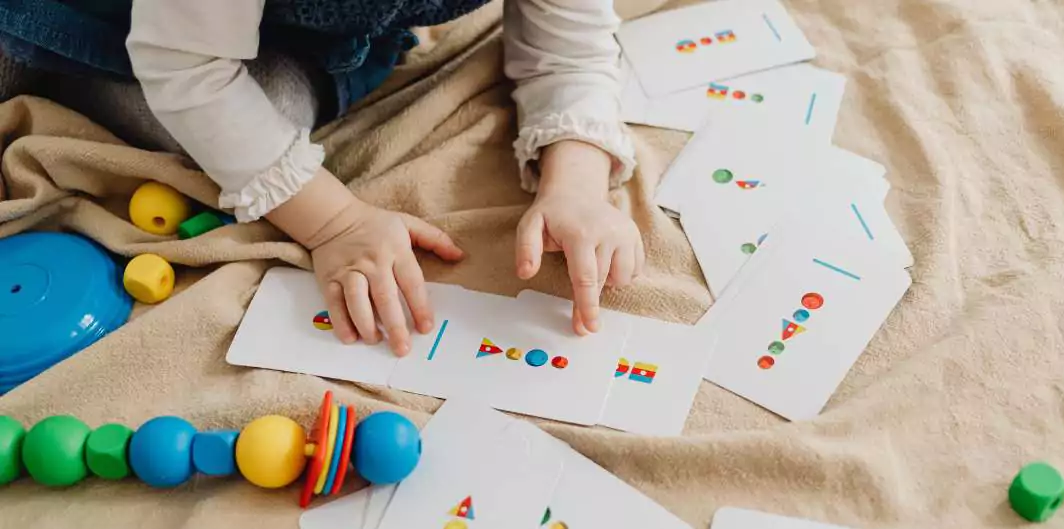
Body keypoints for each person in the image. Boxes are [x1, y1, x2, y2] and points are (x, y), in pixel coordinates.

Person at [0, 0, 643, 355]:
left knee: (272, 110)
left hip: (303, 32)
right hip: (120, 19)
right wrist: (336, 222)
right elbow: (186, 66)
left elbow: (571, 50)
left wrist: (577, 183)